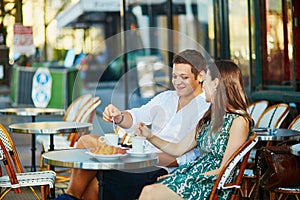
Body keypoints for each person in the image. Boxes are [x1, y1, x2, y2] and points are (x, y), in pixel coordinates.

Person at [56, 49, 210, 200]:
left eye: (184, 77)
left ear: (200, 76)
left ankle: (68, 197)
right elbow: (138, 115)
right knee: (86, 141)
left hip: (158, 168)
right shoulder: (167, 98)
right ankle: (69, 196)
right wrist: (119, 116)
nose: (177, 82)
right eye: (174, 76)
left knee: (96, 180)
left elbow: (190, 157)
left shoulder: (205, 108)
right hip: (137, 156)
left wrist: (144, 158)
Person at [137, 60, 254, 199]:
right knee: (148, 190)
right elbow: (177, 149)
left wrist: (186, 176)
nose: (203, 86)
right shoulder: (210, 117)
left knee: (150, 193)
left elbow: (225, 169)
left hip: (211, 185)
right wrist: (149, 136)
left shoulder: (238, 122)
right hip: (195, 178)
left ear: (216, 83)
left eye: (206, 81)